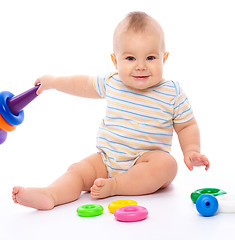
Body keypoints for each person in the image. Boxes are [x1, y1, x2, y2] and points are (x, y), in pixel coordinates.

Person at [12, 11, 210, 210]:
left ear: (164, 58)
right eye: (130, 58)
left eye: (150, 57)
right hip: (106, 160)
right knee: (78, 170)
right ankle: (51, 194)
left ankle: (115, 186)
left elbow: (186, 126)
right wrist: (53, 82)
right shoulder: (112, 82)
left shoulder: (172, 92)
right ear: (115, 61)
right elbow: (81, 85)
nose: (141, 66)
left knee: (167, 165)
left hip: (146, 163)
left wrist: (191, 150)